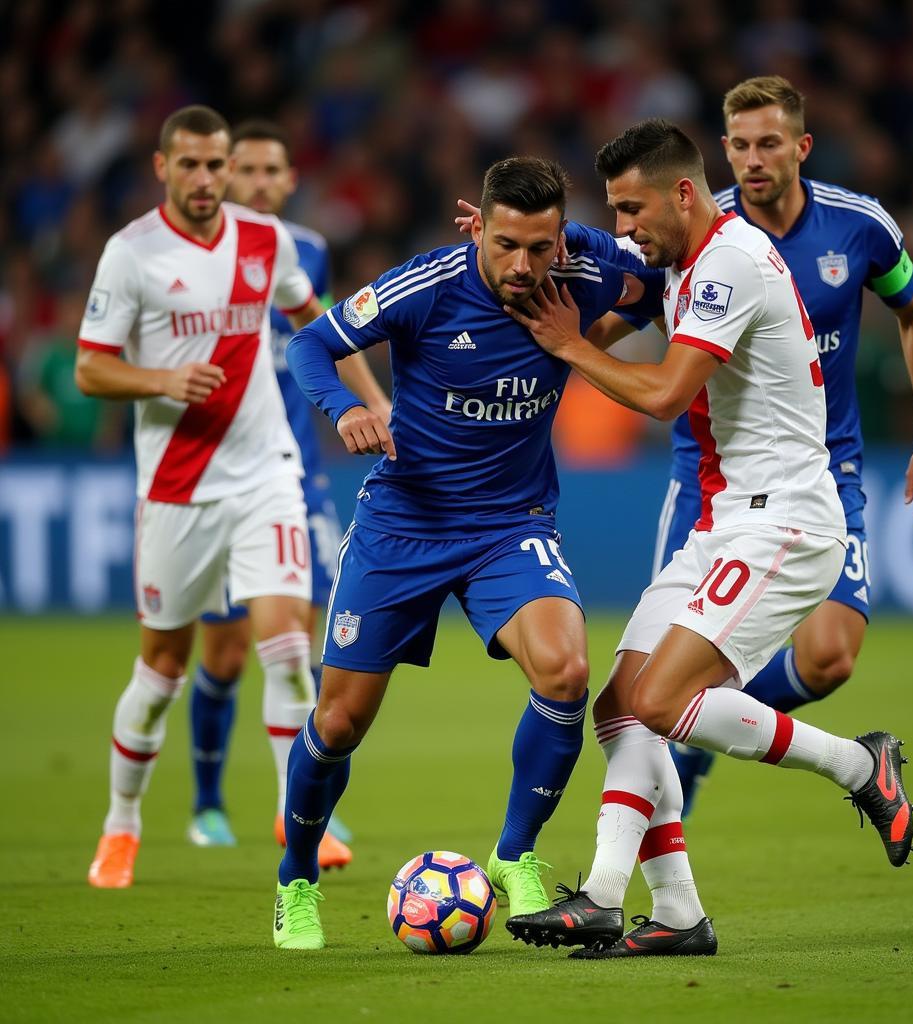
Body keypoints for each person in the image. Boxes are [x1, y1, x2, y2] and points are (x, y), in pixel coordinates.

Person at [501, 119, 913, 958]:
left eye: (632, 210)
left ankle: (857, 766)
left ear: (681, 193)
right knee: (620, 710)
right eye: (614, 212)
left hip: (787, 522)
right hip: (727, 521)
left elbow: (662, 396)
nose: (625, 231)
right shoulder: (691, 259)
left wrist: (572, 345)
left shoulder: (727, 262)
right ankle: (679, 916)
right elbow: (609, 254)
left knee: (661, 702)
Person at [271, 156, 656, 950]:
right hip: (402, 526)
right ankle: (297, 880)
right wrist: (343, 407)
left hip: (509, 525)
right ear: (476, 226)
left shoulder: (580, 266)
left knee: (568, 672)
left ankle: (514, 855)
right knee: (338, 722)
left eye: (540, 247)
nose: (523, 266)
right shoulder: (427, 284)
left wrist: (582, 332)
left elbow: (651, 283)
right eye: (506, 244)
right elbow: (310, 345)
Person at [78, 105, 350, 889]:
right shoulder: (130, 254)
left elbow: (316, 321)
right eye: (189, 164)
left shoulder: (268, 241)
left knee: (290, 650)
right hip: (176, 489)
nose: (205, 179)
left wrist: (363, 395)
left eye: (216, 164)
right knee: (162, 670)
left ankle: (298, 824)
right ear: (163, 167)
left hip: (267, 473)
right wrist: (160, 379)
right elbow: (92, 367)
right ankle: (121, 825)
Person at [185, 119, 389, 860]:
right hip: (217, 475)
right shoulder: (199, 256)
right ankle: (207, 803)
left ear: (290, 179)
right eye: (250, 171)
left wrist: (375, 404)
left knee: (304, 640)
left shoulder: (304, 250)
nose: (263, 183)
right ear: (228, 176)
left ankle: (301, 808)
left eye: (276, 171)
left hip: (295, 475)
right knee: (226, 653)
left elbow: (331, 334)